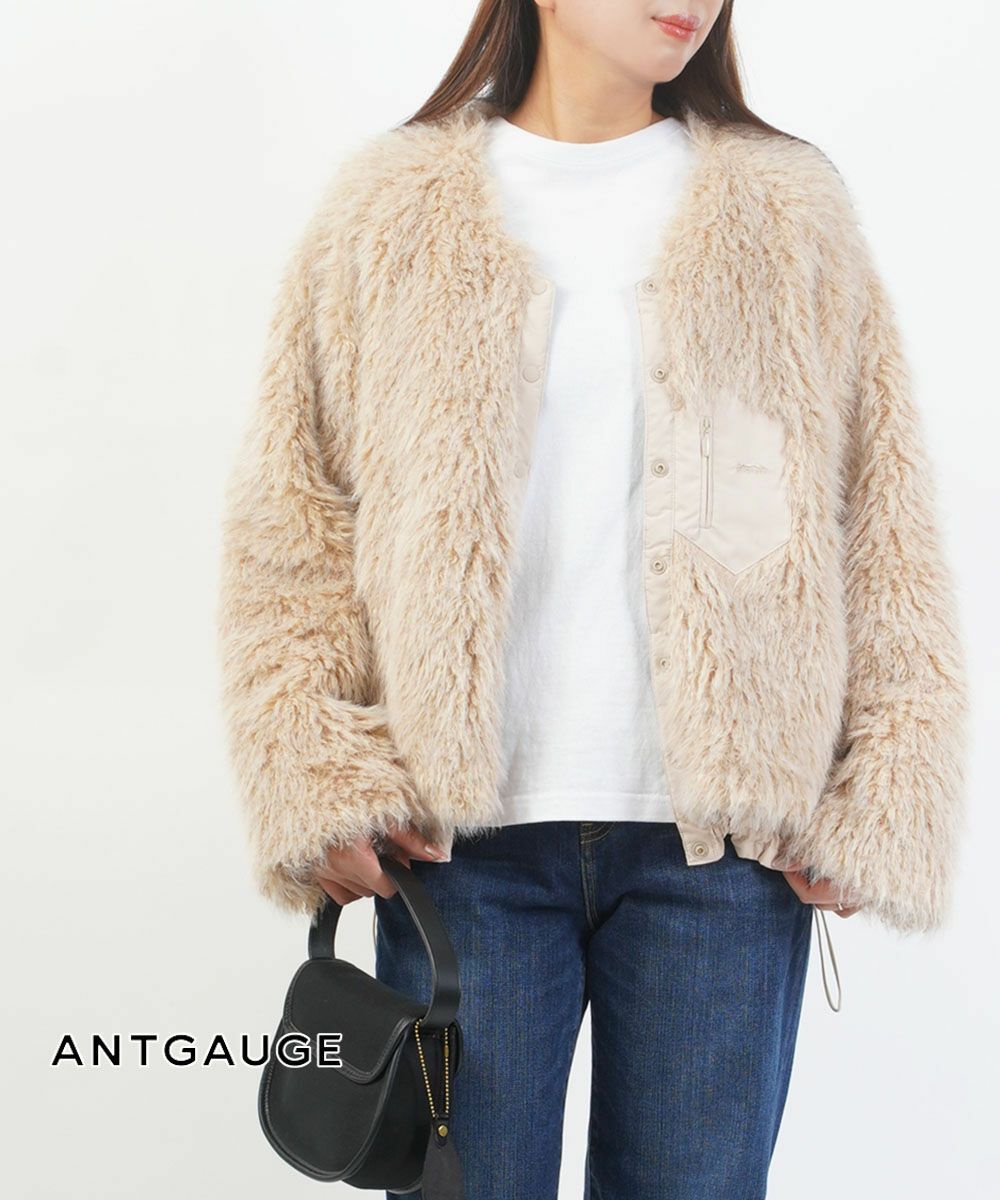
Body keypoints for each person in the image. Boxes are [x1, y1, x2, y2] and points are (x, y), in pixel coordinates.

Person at [217, 2, 968, 1196]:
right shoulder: (388, 207)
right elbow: (295, 521)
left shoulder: (786, 209)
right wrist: (317, 775)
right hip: (457, 855)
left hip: (721, 859)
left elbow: (880, 516)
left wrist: (880, 791)